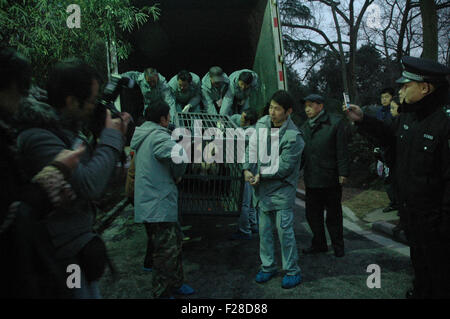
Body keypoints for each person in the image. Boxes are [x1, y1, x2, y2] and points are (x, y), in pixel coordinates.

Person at [16, 58, 131, 299]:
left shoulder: (67, 130)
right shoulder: (39, 137)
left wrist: (110, 145)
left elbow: (102, 183)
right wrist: (110, 140)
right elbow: (89, 185)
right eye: (91, 101)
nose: (95, 107)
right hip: (61, 254)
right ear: (70, 101)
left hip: (78, 249)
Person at [344, 56, 450, 299]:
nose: (400, 89)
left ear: (425, 88)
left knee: (442, 275)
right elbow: (388, 138)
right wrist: (363, 120)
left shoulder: (444, 122)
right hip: (413, 217)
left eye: (406, 85)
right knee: (421, 268)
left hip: (437, 225)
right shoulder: (409, 117)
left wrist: (444, 226)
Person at [0, 48, 86, 298]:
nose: (25, 96)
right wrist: (57, 172)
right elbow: (11, 209)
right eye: (22, 87)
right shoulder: (31, 133)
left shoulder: (12, 130)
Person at [131, 99, 194, 299]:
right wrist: (178, 174)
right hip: (157, 204)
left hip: (157, 201)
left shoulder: (146, 133)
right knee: (164, 252)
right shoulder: (157, 136)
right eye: (169, 116)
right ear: (163, 119)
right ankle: (162, 293)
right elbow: (181, 155)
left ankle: (176, 283)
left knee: (174, 242)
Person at [243, 90, 304, 289]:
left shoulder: (294, 137)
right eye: (271, 107)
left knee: (284, 230)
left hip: (282, 190)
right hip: (262, 190)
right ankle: (268, 267)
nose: (272, 112)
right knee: (265, 231)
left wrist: (260, 174)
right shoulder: (261, 124)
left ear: (288, 111)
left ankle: (292, 270)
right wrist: (246, 168)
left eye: (277, 109)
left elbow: (284, 166)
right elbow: (251, 149)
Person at [300, 94, 349, 258]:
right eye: (305, 106)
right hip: (312, 179)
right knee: (312, 215)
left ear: (320, 106)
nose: (307, 109)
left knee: (334, 215)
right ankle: (319, 244)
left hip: (330, 178)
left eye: (310, 105)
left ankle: (338, 246)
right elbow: (301, 154)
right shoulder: (304, 127)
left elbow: (342, 150)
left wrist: (343, 172)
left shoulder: (335, 122)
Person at [229, 108, 259, 240]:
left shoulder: (246, 133)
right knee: (252, 200)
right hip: (256, 169)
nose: (239, 119)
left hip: (248, 169)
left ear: (248, 122)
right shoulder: (257, 129)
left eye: (242, 118)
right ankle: (253, 224)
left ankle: (244, 230)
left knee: (244, 201)